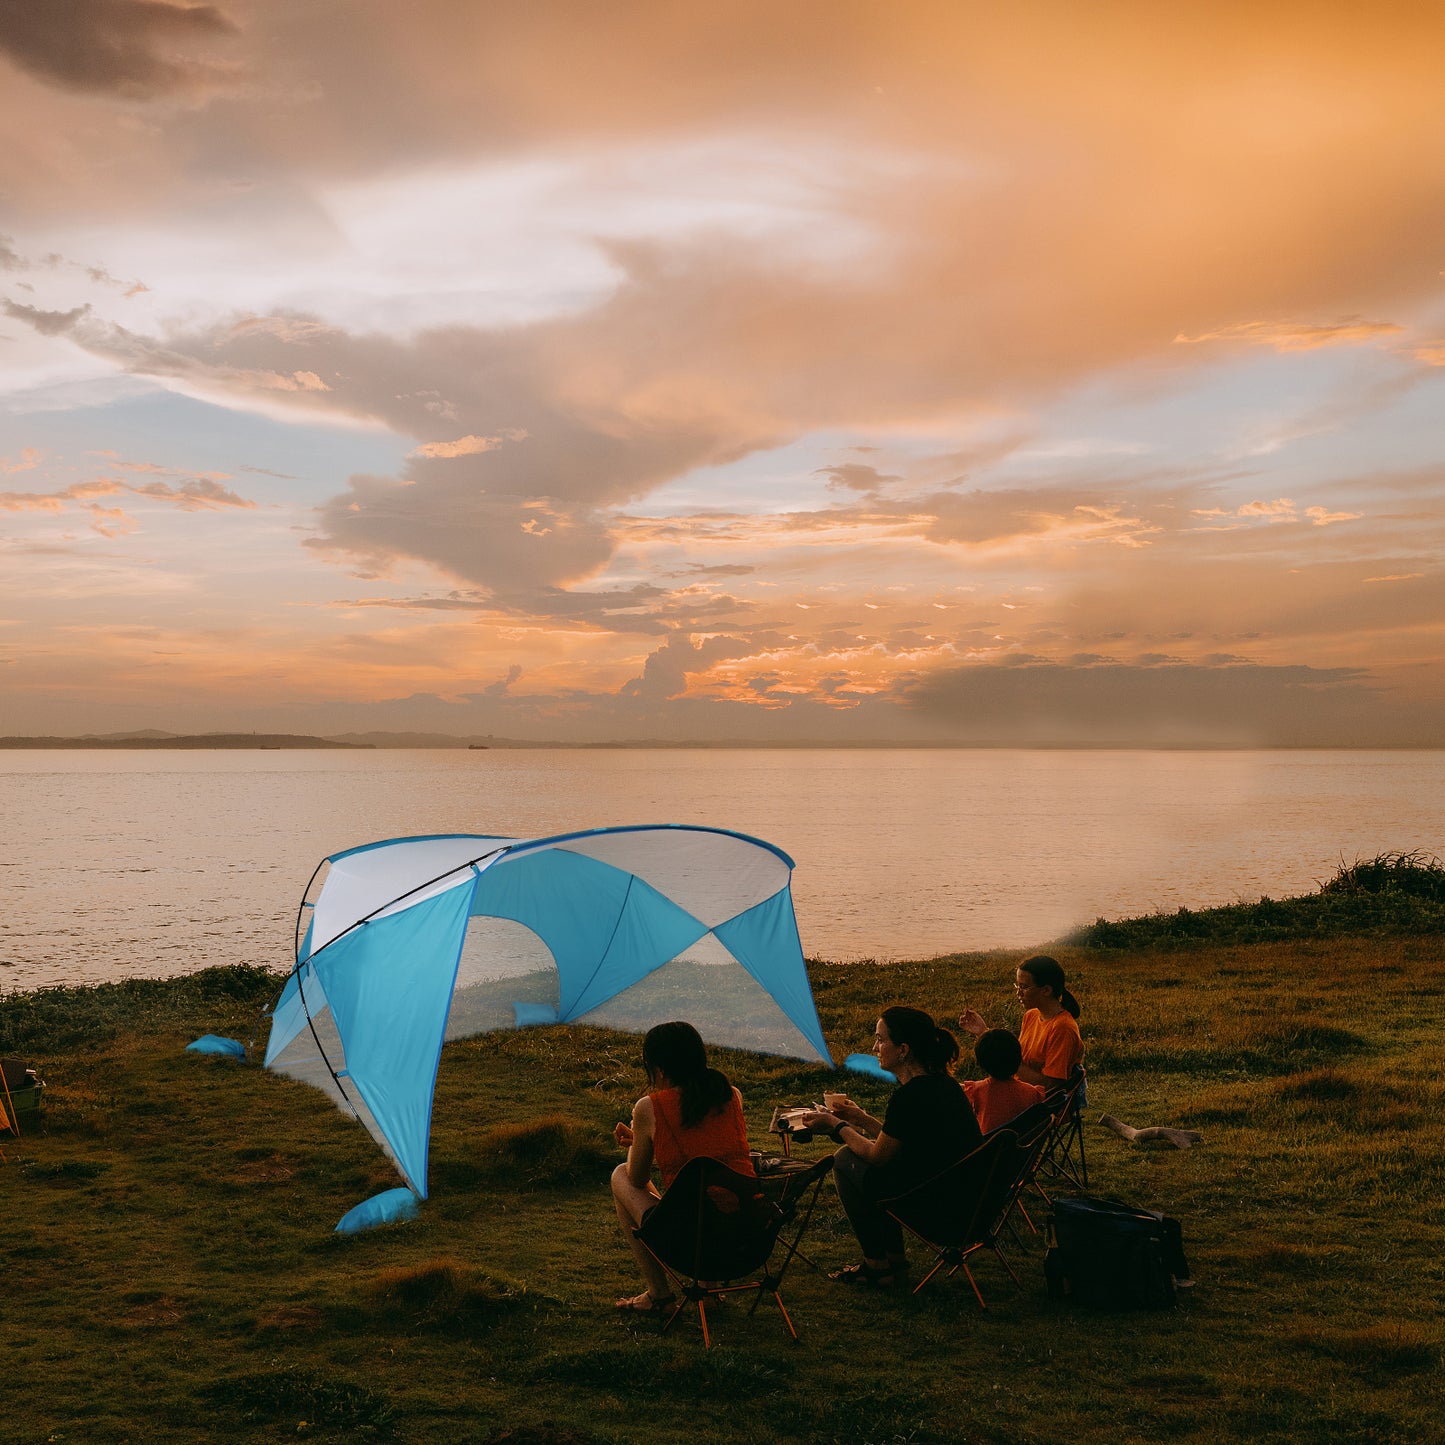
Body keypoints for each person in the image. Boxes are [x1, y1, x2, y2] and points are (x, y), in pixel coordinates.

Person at [801, 1006, 982, 1287]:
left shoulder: (911, 1096)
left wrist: (836, 1126)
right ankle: (895, 1262)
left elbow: (878, 1155)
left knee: (845, 1159)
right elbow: (908, 1139)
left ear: (903, 1050)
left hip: (938, 1210)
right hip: (960, 1198)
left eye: (881, 1040)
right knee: (872, 1170)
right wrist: (863, 1120)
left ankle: (877, 1264)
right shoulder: (943, 1085)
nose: (875, 1047)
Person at [610, 1020, 755, 1313]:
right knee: (709, 1190)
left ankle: (659, 1294)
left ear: (659, 1069)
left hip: (694, 1243)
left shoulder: (650, 1107)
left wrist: (642, 1138)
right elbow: (707, 1148)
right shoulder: (731, 1095)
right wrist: (646, 1141)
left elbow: (637, 1178)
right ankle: (708, 1293)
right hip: (749, 1237)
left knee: (620, 1175)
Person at [959, 955, 1083, 1093]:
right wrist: (984, 1033)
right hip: (1017, 1092)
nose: (1018, 992)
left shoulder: (1062, 1028)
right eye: (1017, 986)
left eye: (1024, 987)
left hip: (1035, 1107)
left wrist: (1006, 1060)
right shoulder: (1031, 1015)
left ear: (1046, 990)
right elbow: (1018, 1061)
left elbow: (1051, 1087)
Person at [963, 1029, 1045, 1133]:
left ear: (980, 1064)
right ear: (1019, 1058)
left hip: (990, 1147)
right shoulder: (1033, 1092)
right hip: (1025, 1147)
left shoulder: (976, 1091)